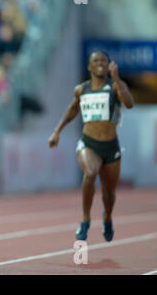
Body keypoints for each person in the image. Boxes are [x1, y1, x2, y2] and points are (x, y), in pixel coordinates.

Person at [48, 51, 134, 242]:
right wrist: (57, 131)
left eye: (103, 60)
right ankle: (85, 220)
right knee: (90, 173)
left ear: (108, 64)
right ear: (89, 66)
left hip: (111, 147)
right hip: (89, 143)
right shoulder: (81, 89)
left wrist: (117, 78)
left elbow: (129, 103)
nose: (100, 63)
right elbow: (72, 111)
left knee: (109, 193)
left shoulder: (115, 86)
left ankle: (107, 217)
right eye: (96, 60)